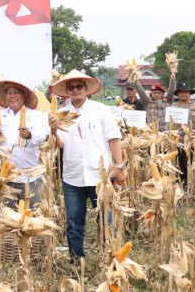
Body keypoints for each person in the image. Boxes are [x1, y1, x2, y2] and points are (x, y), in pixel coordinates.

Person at [48, 70, 124, 263]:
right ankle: (76, 259)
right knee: (74, 221)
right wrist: (53, 129)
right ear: (66, 90)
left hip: (100, 175)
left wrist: (120, 166)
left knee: (107, 220)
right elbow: (61, 144)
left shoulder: (100, 110)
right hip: (72, 176)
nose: (75, 90)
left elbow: (114, 139)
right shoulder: (61, 113)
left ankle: (112, 258)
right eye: (71, 87)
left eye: (78, 86)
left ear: (86, 89)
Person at [0, 77, 49, 209]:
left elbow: (42, 137)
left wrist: (29, 135)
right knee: (9, 220)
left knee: (33, 219)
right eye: (9, 92)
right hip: (6, 178)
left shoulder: (36, 115)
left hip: (30, 178)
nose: (12, 96)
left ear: (24, 95)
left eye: (16, 92)